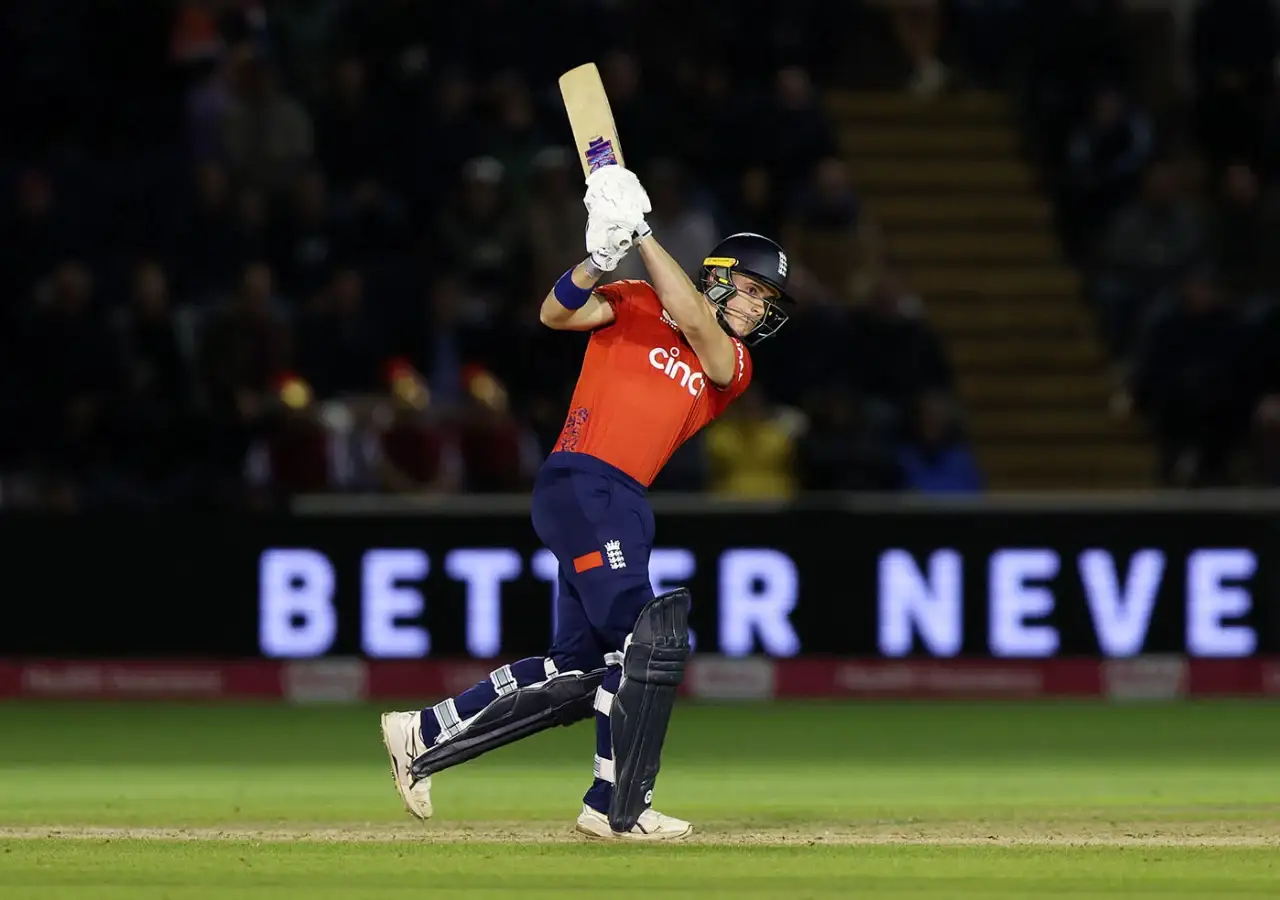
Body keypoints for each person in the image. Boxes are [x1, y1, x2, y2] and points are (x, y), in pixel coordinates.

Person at [379, 166, 795, 841]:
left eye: (766, 303)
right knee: (646, 639)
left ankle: (423, 734)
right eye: (751, 291)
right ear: (719, 274)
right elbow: (555, 311)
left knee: (576, 672)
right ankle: (614, 803)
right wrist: (600, 258)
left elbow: (692, 318)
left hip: (620, 500)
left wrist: (641, 234)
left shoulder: (733, 364)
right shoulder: (632, 296)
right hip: (585, 482)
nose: (755, 310)